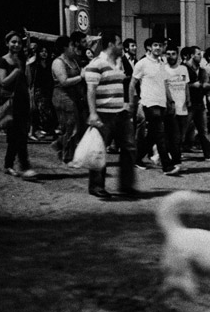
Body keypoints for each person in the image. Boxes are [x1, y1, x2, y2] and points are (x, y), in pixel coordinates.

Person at [84, 32, 138, 198]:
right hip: (103, 114)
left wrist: (126, 104)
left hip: (120, 112)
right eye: (120, 43)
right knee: (99, 151)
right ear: (110, 45)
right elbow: (91, 90)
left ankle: (126, 185)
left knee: (129, 147)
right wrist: (93, 114)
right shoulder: (97, 63)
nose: (122, 47)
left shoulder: (117, 63)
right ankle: (96, 186)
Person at [129, 36, 180, 176]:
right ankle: (167, 166)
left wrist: (171, 102)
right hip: (149, 102)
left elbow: (165, 83)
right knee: (160, 132)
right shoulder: (142, 63)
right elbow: (132, 83)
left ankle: (137, 158)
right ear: (149, 48)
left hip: (162, 102)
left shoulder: (161, 63)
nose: (158, 48)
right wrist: (132, 102)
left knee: (152, 135)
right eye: (155, 45)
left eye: (160, 45)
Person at [0, 31, 37, 180]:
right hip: (11, 102)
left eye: (19, 42)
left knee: (17, 136)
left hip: (23, 100)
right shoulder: (2, 61)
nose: (16, 45)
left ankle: (9, 165)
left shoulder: (22, 59)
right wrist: (16, 71)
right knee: (18, 135)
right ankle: (25, 167)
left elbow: (27, 82)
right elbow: (3, 81)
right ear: (7, 43)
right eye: (13, 42)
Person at [51, 34, 88, 165]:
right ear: (65, 47)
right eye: (72, 45)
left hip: (74, 97)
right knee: (71, 126)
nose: (74, 48)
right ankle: (67, 157)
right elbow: (64, 81)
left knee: (79, 125)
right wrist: (81, 77)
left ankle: (60, 144)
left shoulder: (74, 61)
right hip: (62, 97)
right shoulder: (58, 62)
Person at [184, 45, 210, 162]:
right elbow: (179, 84)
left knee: (203, 131)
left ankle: (208, 154)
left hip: (199, 104)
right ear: (191, 55)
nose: (201, 56)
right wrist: (192, 85)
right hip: (187, 104)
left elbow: (205, 85)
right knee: (181, 131)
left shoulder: (202, 70)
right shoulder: (184, 68)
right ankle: (169, 153)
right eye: (198, 54)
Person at [163, 42, 190, 170]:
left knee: (181, 136)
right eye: (168, 54)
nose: (170, 56)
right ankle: (176, 161)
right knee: (174, 136)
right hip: (171, 107)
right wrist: (169, 103)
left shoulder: (183, 69)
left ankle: (164, 155)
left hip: (183, 106)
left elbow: (186, 86)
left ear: (177, 55)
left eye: (173, 54)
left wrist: (188, 100)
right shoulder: (163, 69)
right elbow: (164, 88)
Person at [26, 45, 57, 140]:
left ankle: (46, 130)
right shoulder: (35, 64)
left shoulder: (50, 63)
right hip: (38, 89)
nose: (44, 53)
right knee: (42, 109)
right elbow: (30, 77)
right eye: (42, 51)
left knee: (48, 110)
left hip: (49, 89)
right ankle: (42, 129)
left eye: (46, 51)